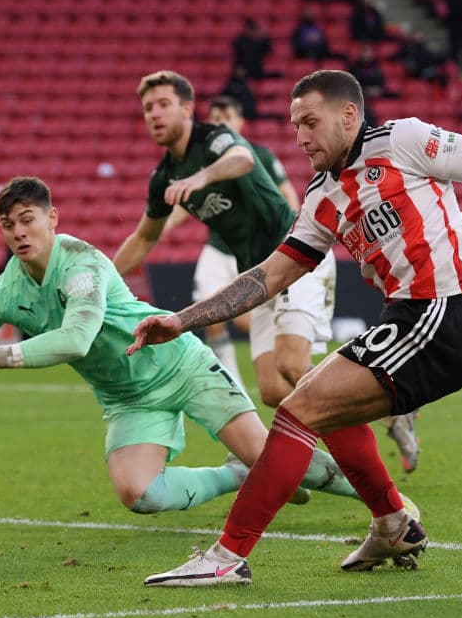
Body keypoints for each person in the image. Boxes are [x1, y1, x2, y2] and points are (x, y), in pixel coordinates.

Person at [127, 70, 462, 585]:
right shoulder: (322, 196)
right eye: (295, 126)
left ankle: (227, 556)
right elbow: (268, 276)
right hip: (406, 319)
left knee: (298, 409)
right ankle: (392, 524)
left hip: (441, 315)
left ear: (349, 116)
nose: (301, 137)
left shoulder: (402, 140)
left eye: (310, 122)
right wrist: (181, 320)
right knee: (317, 403)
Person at [0, 176, 413, 520]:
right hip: (126, 396)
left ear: (53, 219)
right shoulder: (3, 292)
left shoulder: (83, 263)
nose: (19, 231)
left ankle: (389, 504)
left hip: (180, 365)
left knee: (287, 463)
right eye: (8, 224)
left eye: (28, 219)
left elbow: (77, 339)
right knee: (139, 495)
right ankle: (232, 474)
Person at [114, 70, 338, 413]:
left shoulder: (215, 138)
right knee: (272, 390)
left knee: (292, 364)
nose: (155, 113)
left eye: (163, 104)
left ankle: (370, 403)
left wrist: (202, 176)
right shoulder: (163, 177)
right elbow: (144, 237)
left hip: (293, 255)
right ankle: (361, 395)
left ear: (187, 109)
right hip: (258, 274)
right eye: (148, 108)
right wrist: (103, 278)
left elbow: (242, 159)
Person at [161, 95, 300, 384]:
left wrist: (295, 236)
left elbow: (287, 194)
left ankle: (291, 358)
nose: (221, 122)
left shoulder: (259, 155)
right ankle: (231, 386)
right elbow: (184, 205)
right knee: (210, 315)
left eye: (227, 117)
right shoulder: (199, 163)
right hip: (217, 249)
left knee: (246, 319)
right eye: (216, 118)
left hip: (259, 251)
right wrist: (162, 226)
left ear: (240, 122)